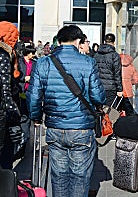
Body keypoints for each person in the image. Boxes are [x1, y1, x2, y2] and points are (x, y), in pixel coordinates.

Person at [27, 25, 106, 197]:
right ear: (78, 41)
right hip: (82, 128)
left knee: (59, 176)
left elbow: (33, 96)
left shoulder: (43, 63)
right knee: (80, 177)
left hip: (55, 126)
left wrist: (36, 118)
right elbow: (98, 97)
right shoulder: (88, 62)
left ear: (59, 41)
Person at [0, 21, 22, 168]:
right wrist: (14, 113)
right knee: (5, 156)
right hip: (3, 114)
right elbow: (5, 88)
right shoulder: (4, 55)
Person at [15, 45, 37, 159]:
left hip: (30, 91)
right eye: (31, 53)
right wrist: (24, 79)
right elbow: (17, 75)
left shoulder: (34, 63)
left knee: (27, 117)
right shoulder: (19, 62)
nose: (33, 55)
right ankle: (21, 141)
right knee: (22, 115)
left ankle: (25, 138)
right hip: (20, 90)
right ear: (27, 53)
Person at [94, 33, 123, 106]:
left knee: (99, 109)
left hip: (98, 86)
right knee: (110, 112)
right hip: (111, 87)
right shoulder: (114, 55)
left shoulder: (96, 54)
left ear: (104, 41)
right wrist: (119, 89)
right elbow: (117, 73)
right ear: (114, 43)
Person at [120, 51, 138, 116]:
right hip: (128, 92)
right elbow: (136, 80)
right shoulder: (131, 67)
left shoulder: (116, 66)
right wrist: (129, 82)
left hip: (118, 92)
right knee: (129, 111)